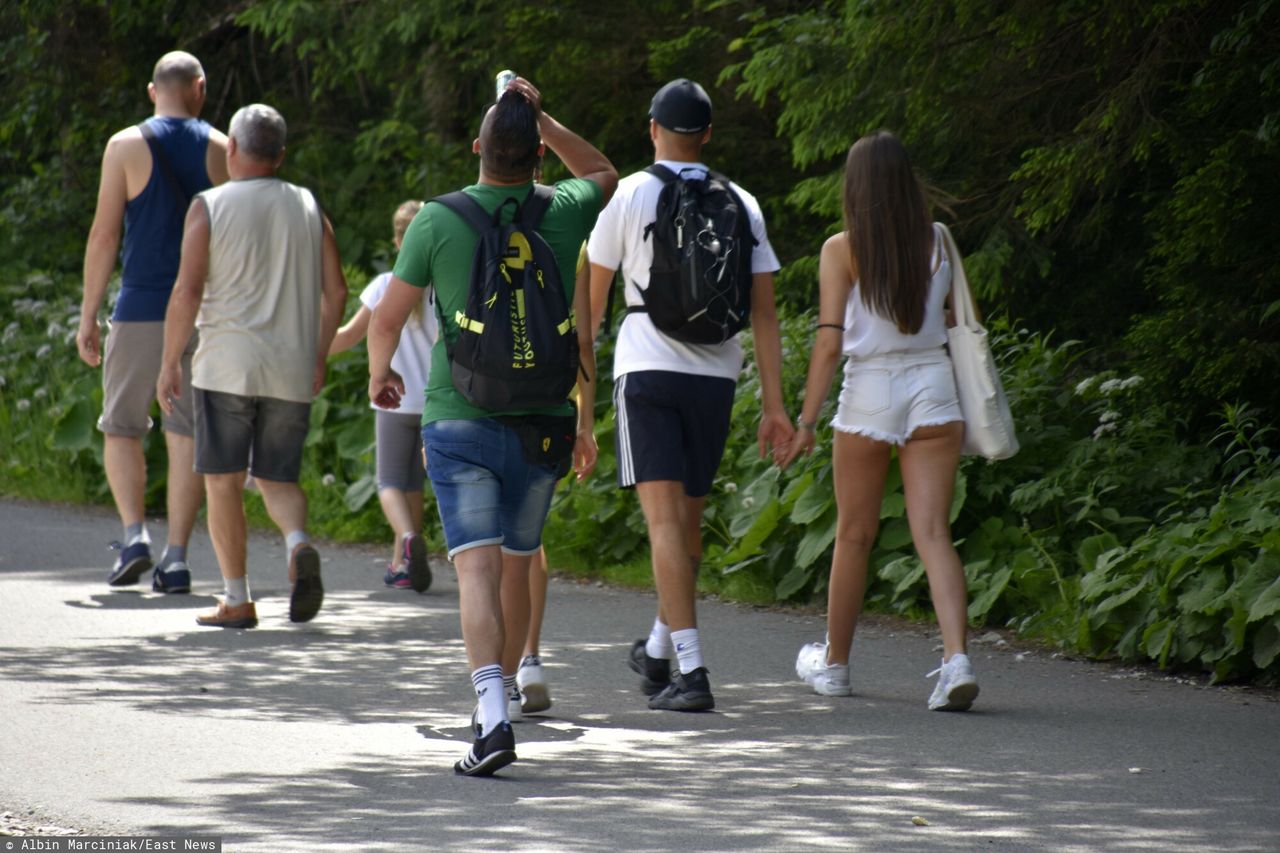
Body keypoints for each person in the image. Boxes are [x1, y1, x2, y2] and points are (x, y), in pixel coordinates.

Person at [368, 77, 615, 776]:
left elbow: (387, 317)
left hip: (460, 417)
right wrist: (546, 113)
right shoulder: (565, 210)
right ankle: (499, 695)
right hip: (544, 421)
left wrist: (378, 373)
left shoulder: (436, 220)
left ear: (477, 148)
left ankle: (493, 717)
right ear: (539, 154)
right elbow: (602, 170)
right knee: (516, 563)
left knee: (474, 568)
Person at [587, 79, 793, 712]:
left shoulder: (630, 193)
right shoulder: (743, 202)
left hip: (646, 368)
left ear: (652, 129)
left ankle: (693, 671)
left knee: (662, 523)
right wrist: (776, 407)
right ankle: (657, 648)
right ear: (707, 134)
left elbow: (591, 308)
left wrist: (576, 400)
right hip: (716, 376)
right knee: (687, 522)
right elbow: (764, 315)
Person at [779, 130, 979, 711]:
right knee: (934, 533)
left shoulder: (842, 248)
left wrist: (806, 421)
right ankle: (955, 661)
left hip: (869, 391)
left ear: (856, 187)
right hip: (935, 389)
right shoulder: (939, 239)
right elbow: (959, 319)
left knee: (853, 534)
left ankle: (836, 665)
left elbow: (827, 344)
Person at [156, 103, 347, 630]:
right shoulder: (308, 206)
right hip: (290, 368)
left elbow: (187, 289)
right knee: (275, 475)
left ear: (233, 149)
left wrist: (170, 359)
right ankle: (298, 542)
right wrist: (318, 350)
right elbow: (337, 290)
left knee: (223, 481)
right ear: (281, 155)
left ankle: (237, 599)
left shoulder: (209, 206)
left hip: (225, 368)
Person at [77, 50, 229, 594]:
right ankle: (178, 558)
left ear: (151, 92)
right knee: (184, 431)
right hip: (203, 311)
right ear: (200, 89)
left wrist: (89, 313)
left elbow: (104, 235)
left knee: (121, 425)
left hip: (141, 307)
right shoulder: (221, 148)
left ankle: (135, 536)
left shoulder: (123, 146)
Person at [329, 200, 436, 593]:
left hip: (392, 400)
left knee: (389, 481)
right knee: (413, 485)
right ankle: (401, 564)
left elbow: (345, 338)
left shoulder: (383, 286)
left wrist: (306, 347)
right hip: (434, 402)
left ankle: (408, 543)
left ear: (396, 241)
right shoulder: (443, 285)